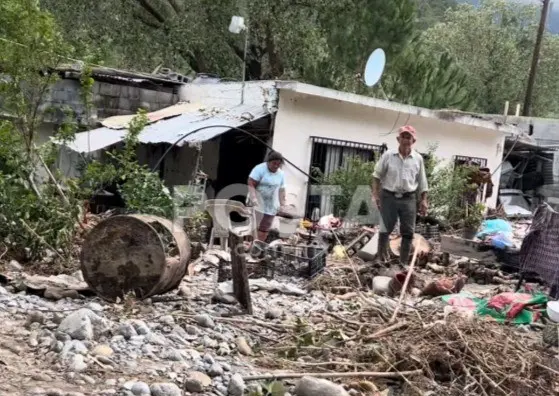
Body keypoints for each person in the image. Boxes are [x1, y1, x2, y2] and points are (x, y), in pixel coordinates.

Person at [372, 125, 428, 266]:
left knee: (408, 232)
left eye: (408, 137)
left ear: (413, 141)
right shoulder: (388, 156)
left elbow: (422, 181)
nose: (405, 140)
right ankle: (381, 259)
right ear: (398, 139)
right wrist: (376, 195)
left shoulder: (418, 159)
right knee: (385, 230)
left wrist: (424, 200)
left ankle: (403, 263)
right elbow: (376, 176)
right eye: (403, 136)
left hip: (408, 198)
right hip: (388, 196)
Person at [247, 151, 287, 241]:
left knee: (265, 227)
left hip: (271, 204)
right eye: (274, 163)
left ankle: (258, 246)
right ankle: (249, 245)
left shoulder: (281, 174)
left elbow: (282, 190)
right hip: (257, 201)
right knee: (254, 226)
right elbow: (251, 183)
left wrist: (283, 205)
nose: (276, 166)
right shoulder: (259, 169)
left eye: (279, 164)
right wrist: (253, 198)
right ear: (268, 162)